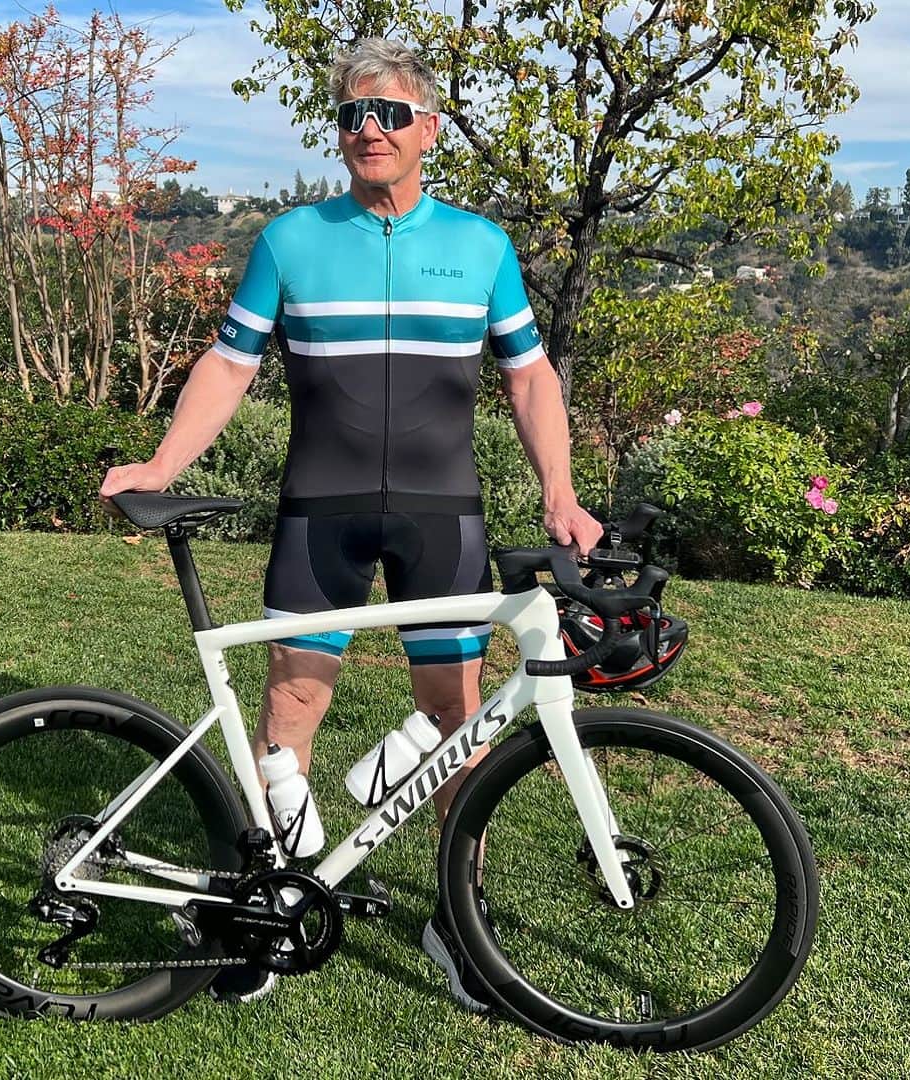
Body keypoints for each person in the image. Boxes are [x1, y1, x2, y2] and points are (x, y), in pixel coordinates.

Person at [100, 37, 603, 1013]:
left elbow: (530, 376)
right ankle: (267, 910)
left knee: (457, 716)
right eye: (353, 115)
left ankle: (458, 916)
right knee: (290, 706)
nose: (371, 129)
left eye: (391, 113)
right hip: (320, 510)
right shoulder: (292, 240)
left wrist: (560, 492)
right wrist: (163, 464)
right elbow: (231, 363)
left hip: (440, 514)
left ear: (429, 130)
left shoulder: (481, 247)